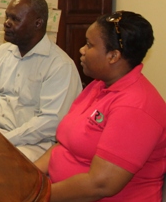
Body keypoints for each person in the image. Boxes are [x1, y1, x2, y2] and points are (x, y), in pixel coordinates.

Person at [35, 11, 166, 201]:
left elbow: (100, 185)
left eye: (89, 45)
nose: (82, 50)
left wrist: (35, 197)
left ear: (113, 56)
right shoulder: (99, 85)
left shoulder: (136, 107)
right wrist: (30, 178)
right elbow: (63, 146)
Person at [0, 0, 81, 161]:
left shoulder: (59, 66)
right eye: (7, 17)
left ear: (38, 23)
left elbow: (49, 123)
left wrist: (3, 140)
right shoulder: (3, 53)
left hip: (33, 145)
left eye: (15, 19)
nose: (6, 23)